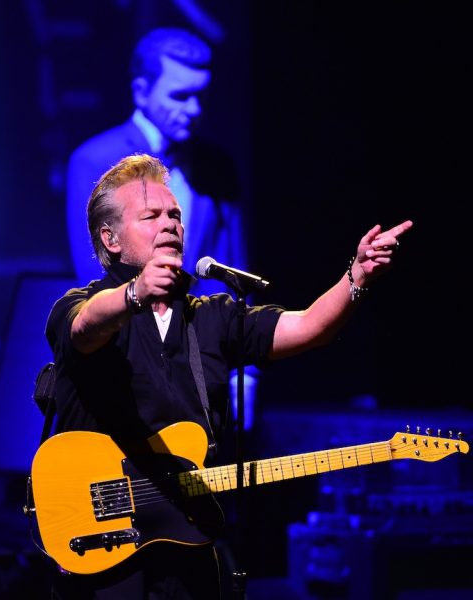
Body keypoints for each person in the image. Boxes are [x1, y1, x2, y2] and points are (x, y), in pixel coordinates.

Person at [43, 153, 413, 598]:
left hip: (188, 544)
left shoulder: (212, 318)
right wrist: (135, 294)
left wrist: (357, 277)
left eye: (175, 215)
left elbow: (310, 326)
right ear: (111, 238)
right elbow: (85, 327)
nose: (170, 225)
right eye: (151, 216)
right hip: (109, 550)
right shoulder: (80, 305)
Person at [66, 25, 258, 428]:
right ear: (141, 91)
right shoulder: (95, 160)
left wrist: (246, 368)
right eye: (179, 95)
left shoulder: (215, 165)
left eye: (201, 95)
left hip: (206, 359)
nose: (194, 109)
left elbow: (231, 267)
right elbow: (95, 275)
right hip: (126, 364)